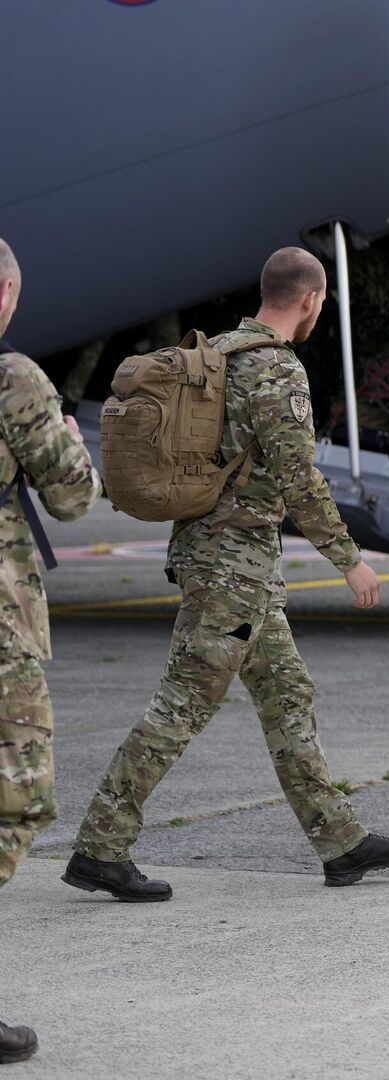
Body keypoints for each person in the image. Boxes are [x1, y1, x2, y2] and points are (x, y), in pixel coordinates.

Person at [68, 247, 389, 900]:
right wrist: (351, 560)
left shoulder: (221, 352)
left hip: (229, 561)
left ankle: (339, 840)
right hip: (233, 571)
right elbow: (298, 475)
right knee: (182, 706)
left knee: (288, 694)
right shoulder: (275, 369)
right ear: (310, 300)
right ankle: (101, 846)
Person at [0, 236, 100, 1065]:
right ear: (4, 294)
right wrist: (68, 436)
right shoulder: (14, 379)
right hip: (1, 631)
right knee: (18, 800)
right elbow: (70, 498)